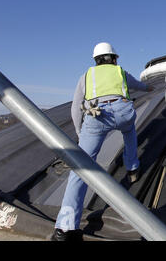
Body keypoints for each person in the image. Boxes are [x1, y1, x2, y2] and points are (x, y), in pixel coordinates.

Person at [51, 42, 153, 241]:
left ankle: (65, 228)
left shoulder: (87, 76)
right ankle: (132, 168)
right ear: (114, 58)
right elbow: (140, 86)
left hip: (97, 116)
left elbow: (75, 108)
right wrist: (151, 87)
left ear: (96, 60)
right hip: (123, 112)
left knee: (81, 168)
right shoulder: (120, 72)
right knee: (129, 131)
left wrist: (81, 133)